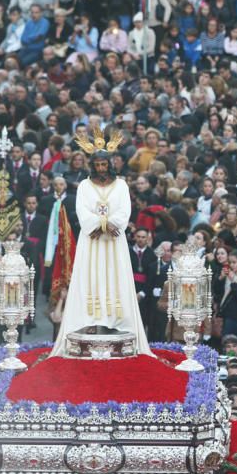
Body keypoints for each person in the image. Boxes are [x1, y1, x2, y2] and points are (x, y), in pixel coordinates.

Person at [50, 130, 153, 357]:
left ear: (110, 164)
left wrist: (107, 224)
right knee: (91, 276)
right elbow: (81, 210)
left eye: (104, 164)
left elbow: (125, 210)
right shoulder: (85, 186)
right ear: (92, 165)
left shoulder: (122, 185)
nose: (100, 168)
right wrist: (99, 224)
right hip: (92, 240)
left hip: (113, 242)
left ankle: (116, 321)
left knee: (114, 276)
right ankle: (89, 320)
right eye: (97, 165)